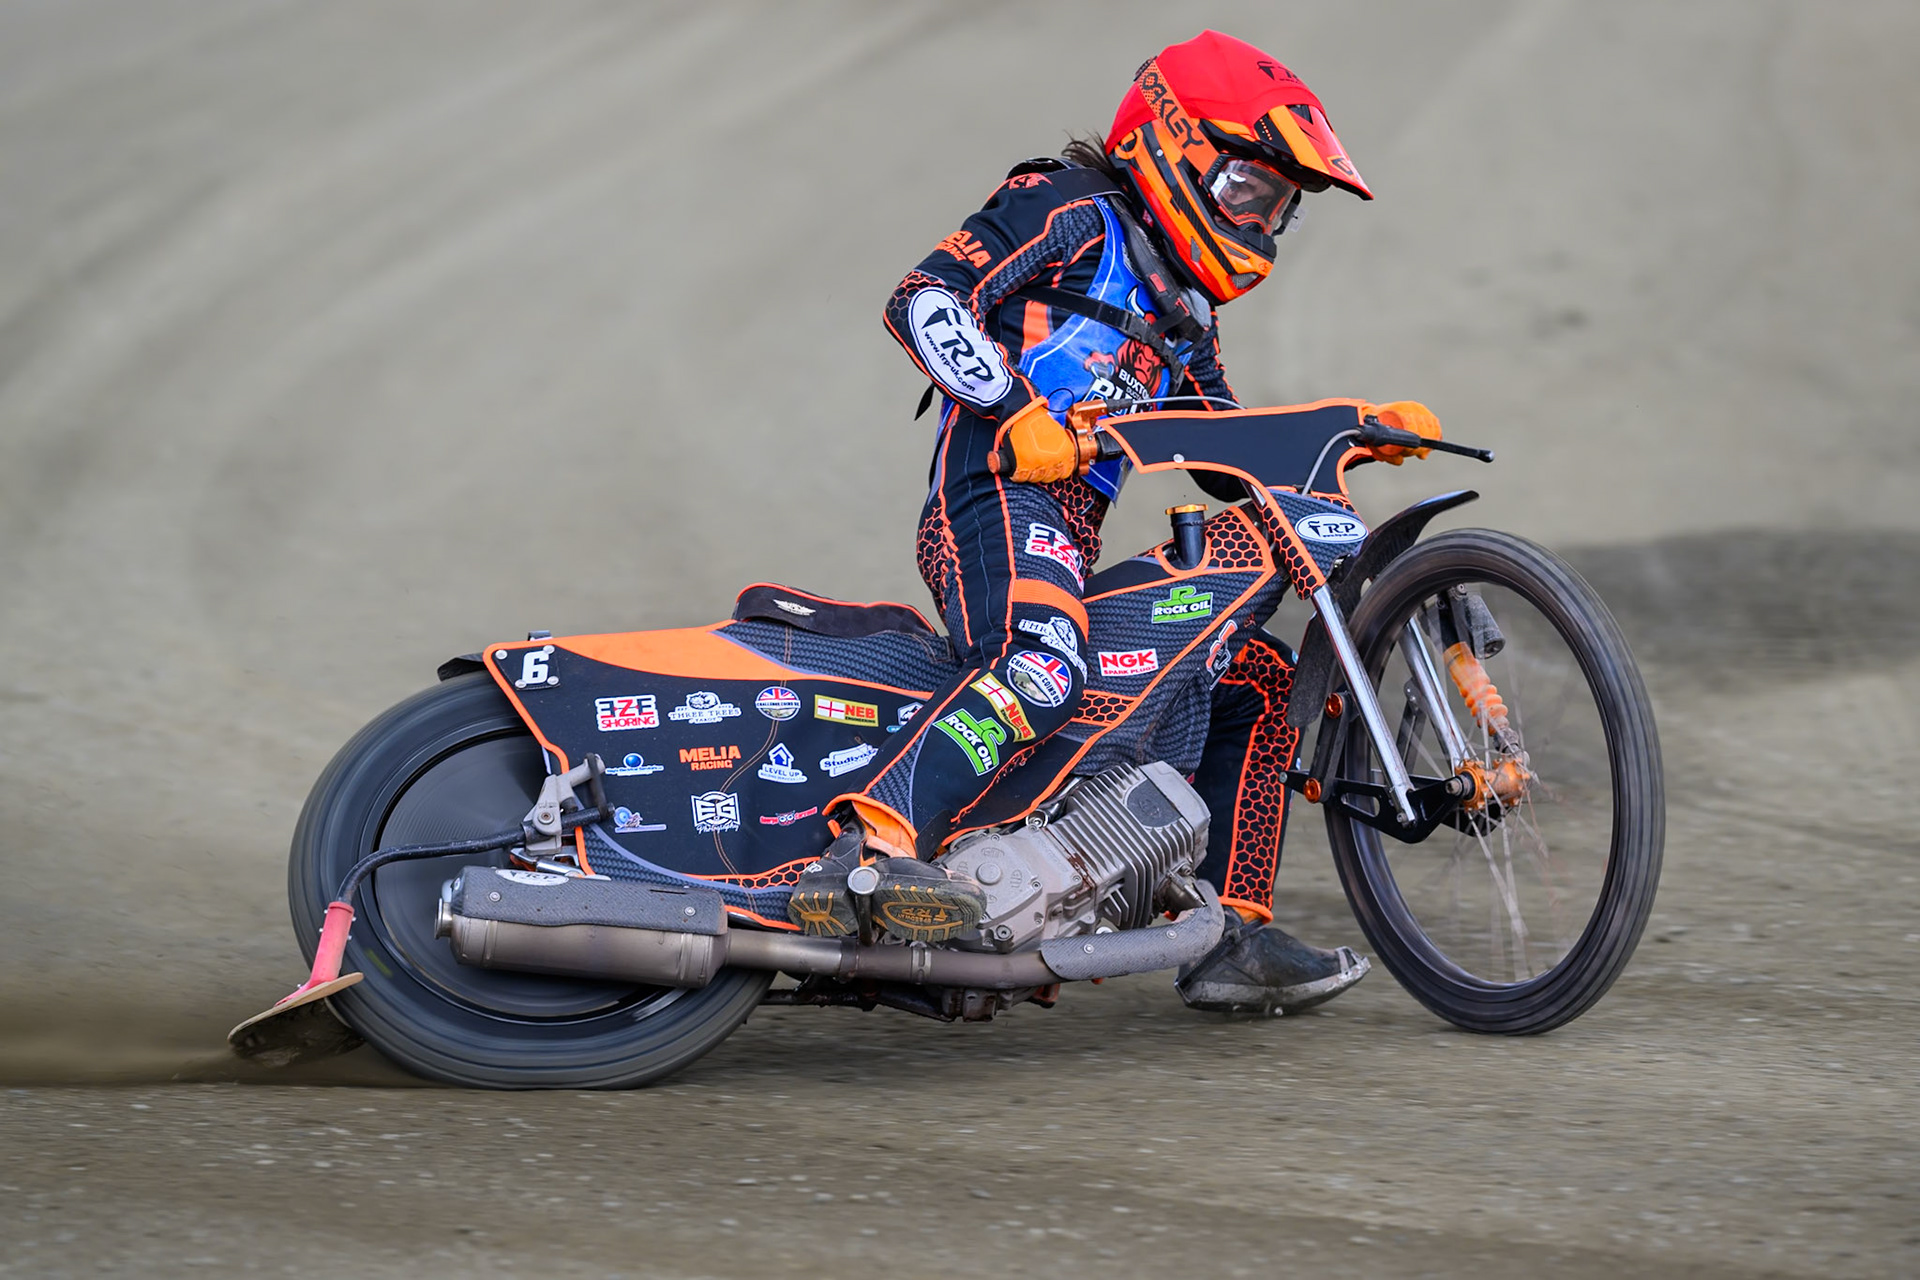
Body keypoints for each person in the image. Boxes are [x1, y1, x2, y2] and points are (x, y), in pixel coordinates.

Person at [786, 30, 1440, 1016]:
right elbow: (923, 299)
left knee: (1256, 680)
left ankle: (1233, 933)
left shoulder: (1188, 316)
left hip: (1068, 534)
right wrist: (1012, 408)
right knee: (1043, 660)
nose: (1265, 223)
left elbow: (1229, 449)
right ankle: (867, 851)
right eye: (1252, 192)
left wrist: (1348, 437)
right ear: (1175, 144)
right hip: (992, 497)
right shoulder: (1069, 209)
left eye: (1282, 210)